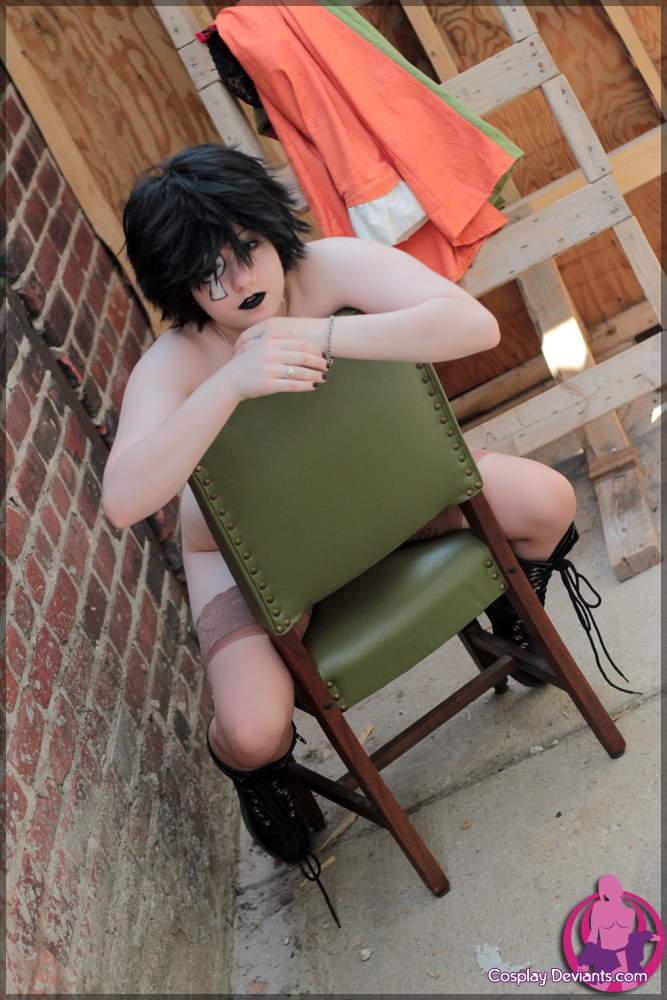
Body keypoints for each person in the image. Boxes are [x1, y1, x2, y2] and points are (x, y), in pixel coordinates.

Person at [102, 142, 621, 914]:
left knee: (546, 503)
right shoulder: (176, 360)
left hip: (387, 494)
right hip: (255, 554)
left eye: (246, 249)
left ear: (269, 228)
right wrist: (229, 385)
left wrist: (322, 337)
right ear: (178, 285)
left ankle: (507, 614)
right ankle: (258, 778)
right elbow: (122, 501)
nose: (239, 282)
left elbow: (471, 326)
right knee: (253, 730)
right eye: (208, 273)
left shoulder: (329, 268)